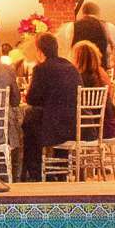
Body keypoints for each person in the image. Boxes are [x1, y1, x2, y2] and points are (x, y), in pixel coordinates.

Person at [22, 33, 82, 169]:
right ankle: (59, 171)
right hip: (75, 125)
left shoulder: (41, 69)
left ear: (39, 51)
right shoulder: (71, 68)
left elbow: (32, 99)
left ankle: (34, 171)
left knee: (29, 121)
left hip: (56, 128)